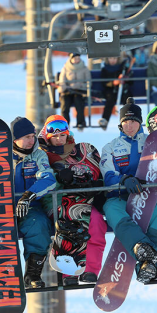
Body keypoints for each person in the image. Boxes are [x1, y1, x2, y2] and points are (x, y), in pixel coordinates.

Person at [0, 116, 57, 296]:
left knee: (39, 224)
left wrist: (29, 195)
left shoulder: (38, 155)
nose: (31, 141)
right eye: (26, 137)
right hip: (0, 206)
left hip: (28, 206)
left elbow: (48, 179)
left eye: (33, 136)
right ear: (14, 139)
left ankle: (32, 275)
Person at [99, 98, 157, 283]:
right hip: (120, 197)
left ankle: (150, 268)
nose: (130, 126)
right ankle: (140, 247)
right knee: (111, 210)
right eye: (125, 122)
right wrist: (124, 179)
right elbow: (108, 174)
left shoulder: (153, 142)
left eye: (133, 121)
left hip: (148, 197)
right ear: (120, 124)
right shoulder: (111, 147)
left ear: (140, 122)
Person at [39, 115, 107, 285]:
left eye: (62, 135)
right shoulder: (41, 155)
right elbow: (40, 176)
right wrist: (59, 177)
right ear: (48, 137)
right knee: (70, 217)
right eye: (54, 136)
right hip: (56, 200)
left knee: (97, 221)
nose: (59, 139)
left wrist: (93, 182)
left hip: (82, 200)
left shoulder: (79, 152)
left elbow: (94, 170)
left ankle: (90, 269)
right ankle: (69, 271)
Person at [59, 53, 91, 131]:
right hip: (68, 91)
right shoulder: (65, 68)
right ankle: (65, 124)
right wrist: (66, 87)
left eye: (78, 58)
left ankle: (80, 123)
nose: (77, 60)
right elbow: (61, 81)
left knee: (79, 103)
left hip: (79, 91)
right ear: (71, 59)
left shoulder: (84, 68)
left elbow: (89, 82)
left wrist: (80, 86)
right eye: (75, 58)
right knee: (65, 105)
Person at [98, 56, 132, 130]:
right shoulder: (105, 69)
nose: (112, 60)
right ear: (107, 59)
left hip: (122, 89)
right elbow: (104, 83)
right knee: (110, 99)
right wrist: (114, 82)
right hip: (110, 90)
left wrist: (126, 79)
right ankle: (105, 119)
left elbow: (131, 80)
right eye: (110, 58)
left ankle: (130, 118)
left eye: (114, 58)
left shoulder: (122, 68)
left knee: (127, 99)